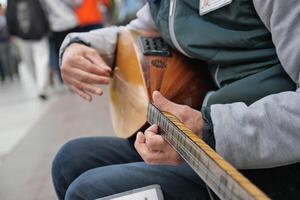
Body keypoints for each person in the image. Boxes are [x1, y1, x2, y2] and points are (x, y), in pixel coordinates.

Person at [52, 1, 300, 200]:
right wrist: (79, 45)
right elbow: (137, 31)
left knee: (86, 191)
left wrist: (210, 130)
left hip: (268, 163)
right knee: (70, 160)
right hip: (203, 139)